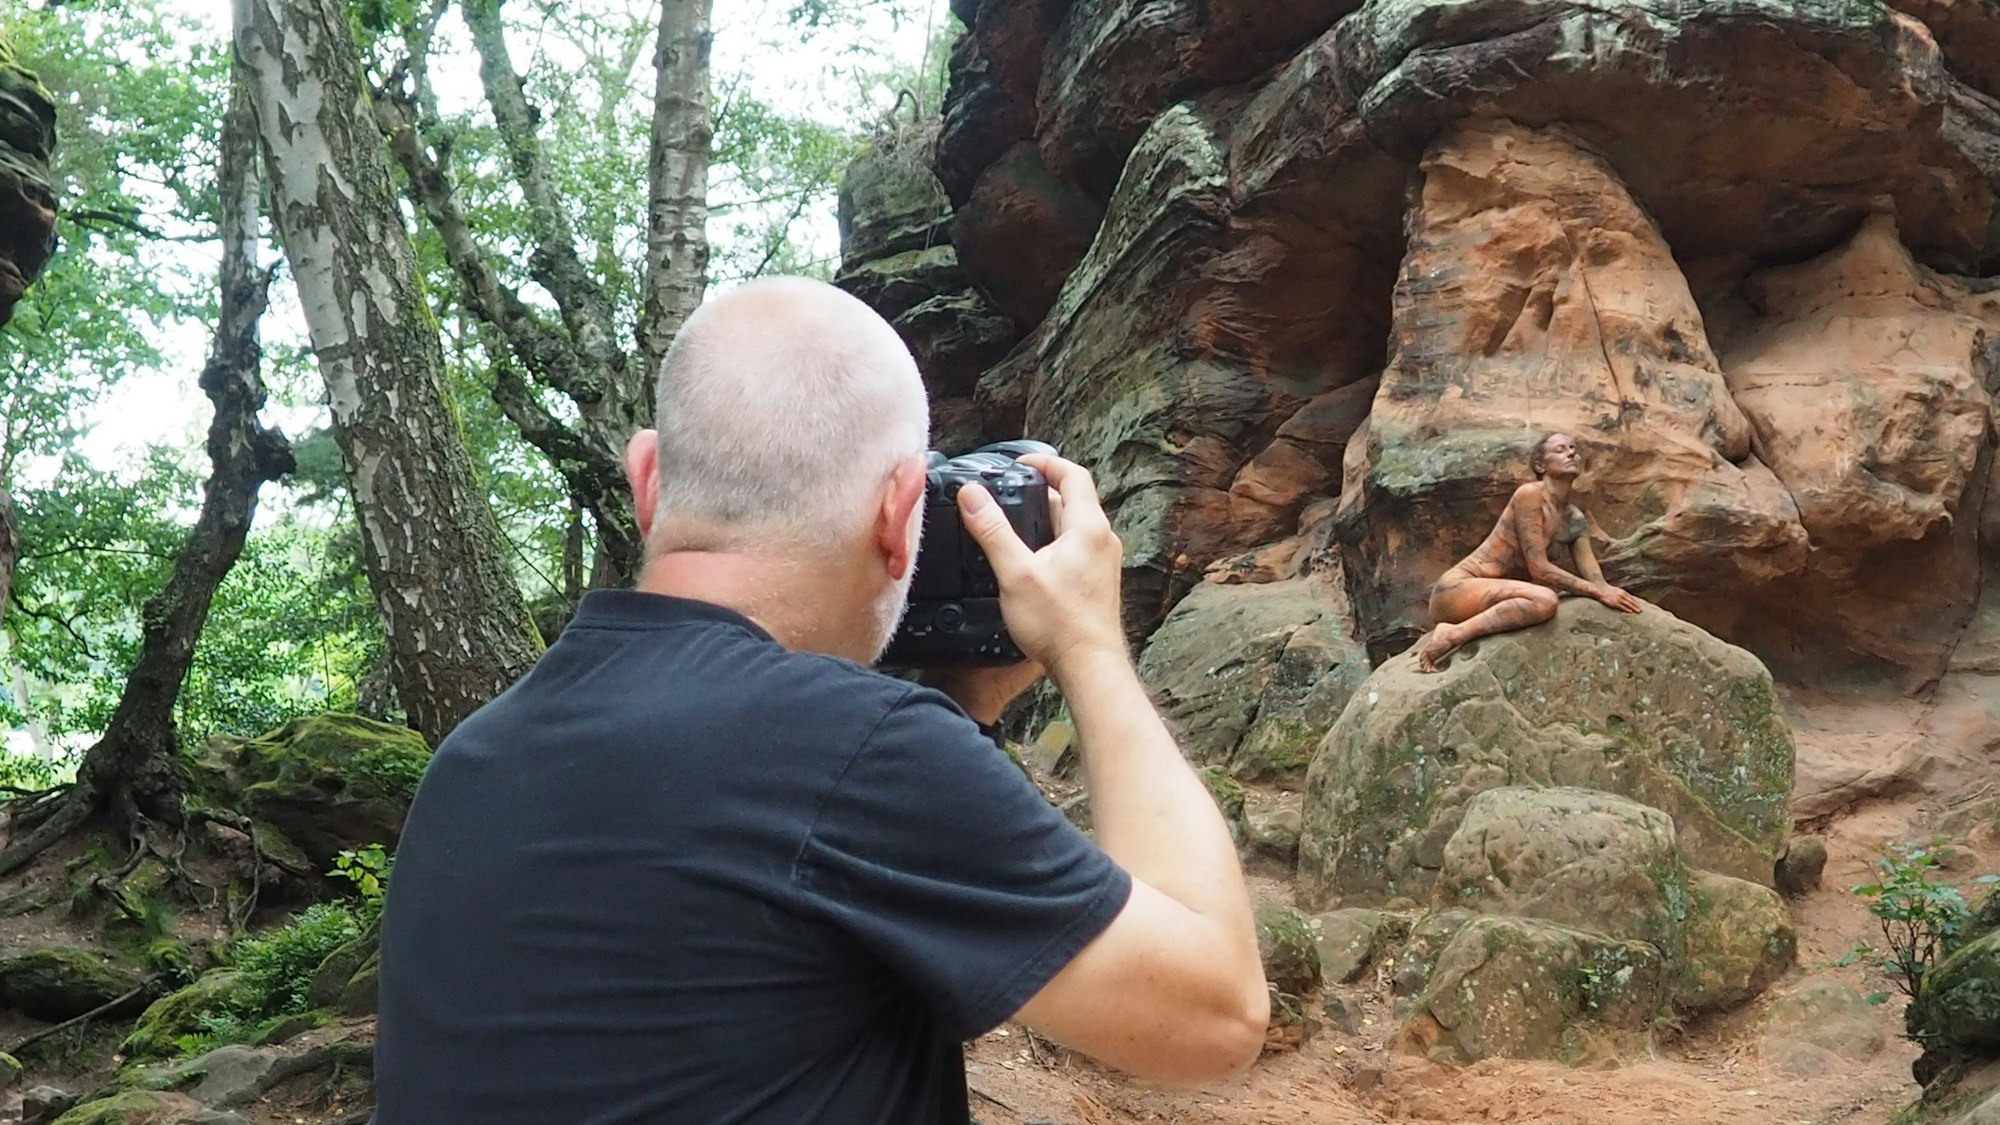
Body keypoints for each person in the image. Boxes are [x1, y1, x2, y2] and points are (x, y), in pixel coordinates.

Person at [369, 276, 1268, 1124]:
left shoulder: (472, 761)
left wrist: (969, 709)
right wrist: (1089, 646)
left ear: (646, 478)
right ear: (898, 510)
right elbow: (1218, 1011)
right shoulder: (857, 752)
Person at [1415, 431, 1646, 673]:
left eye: (1572, 448)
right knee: (1545, 599)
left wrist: (1609, 593)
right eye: (1560, 450)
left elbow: (1598, 582)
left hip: (1498, 596)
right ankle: (1453, 634)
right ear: (1540, 465)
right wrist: (1597, 591)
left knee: (1545, 598)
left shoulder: (1574, 519)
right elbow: (1540, 568)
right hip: (1456, 591)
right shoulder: (1530, 495)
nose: (1571, 453)